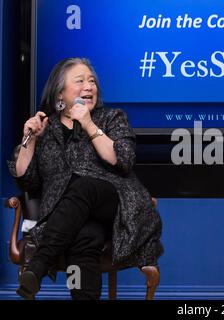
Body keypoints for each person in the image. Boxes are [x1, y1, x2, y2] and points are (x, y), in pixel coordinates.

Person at [7, 58, 163, 300]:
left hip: (115, 203)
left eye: (92, 81)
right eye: (80, 81)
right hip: (71, 215)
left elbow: (123, 160)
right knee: (85, 237)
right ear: (60, 93)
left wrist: (89, 124)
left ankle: (38, 266)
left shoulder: (111, 118)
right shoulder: (46, 129)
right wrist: (31, 141)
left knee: (85, 185)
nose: (89, 86)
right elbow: (28, 183)